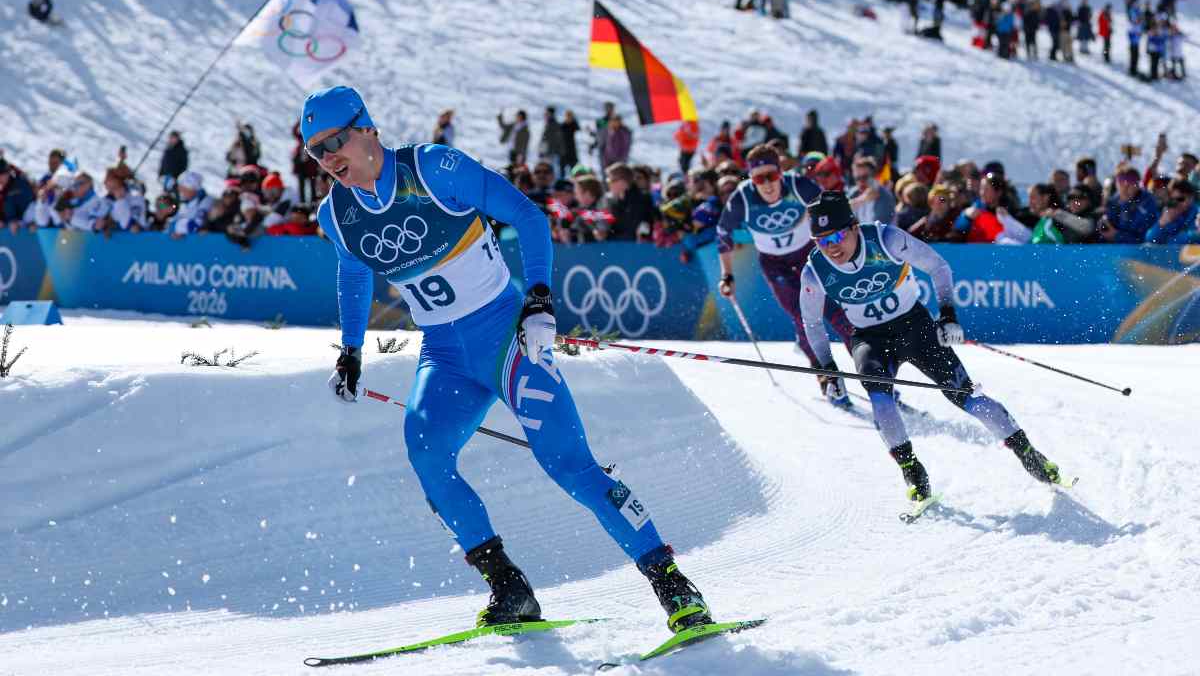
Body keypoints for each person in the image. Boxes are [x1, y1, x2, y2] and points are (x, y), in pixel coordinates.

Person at [306, 86, 712, 633]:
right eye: (316, 151)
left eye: (334, 142)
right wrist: (351, 350)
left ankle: (673, 584)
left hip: (506, 340)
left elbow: (527, 215)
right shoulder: (336, 212)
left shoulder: (433, 168)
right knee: (427, 454)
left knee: (569, 466)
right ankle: (509, 588)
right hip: (444, 355)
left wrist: (540, 298)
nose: (328, 158)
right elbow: (353, 273)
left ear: (367, 129)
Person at [799, 191, 1066, 504]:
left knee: (969, 398)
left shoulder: (886, 239)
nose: (831, 247)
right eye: (821, 241)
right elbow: (812, 323)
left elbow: (938, 266)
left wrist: (948, 315)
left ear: (855, 227)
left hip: (916, 328)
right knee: (881, 403)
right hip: (870, 340)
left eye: (837, 236)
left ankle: (1029, 454)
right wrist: (827, 368)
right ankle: (912, 473)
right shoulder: (814, 272)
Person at [715, 145, 854, 405]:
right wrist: (727, 275)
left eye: (772, 176)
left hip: (809, 256)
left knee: (837, 314)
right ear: (751, 179)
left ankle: (873, 373)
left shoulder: (798, 185)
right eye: (759, 179)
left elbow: (833, 211)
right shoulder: (742, 198)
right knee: (803, 318)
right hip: (775, 264)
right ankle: (827, 374)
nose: (767, 184)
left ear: (781, 172)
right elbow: (723, 234)